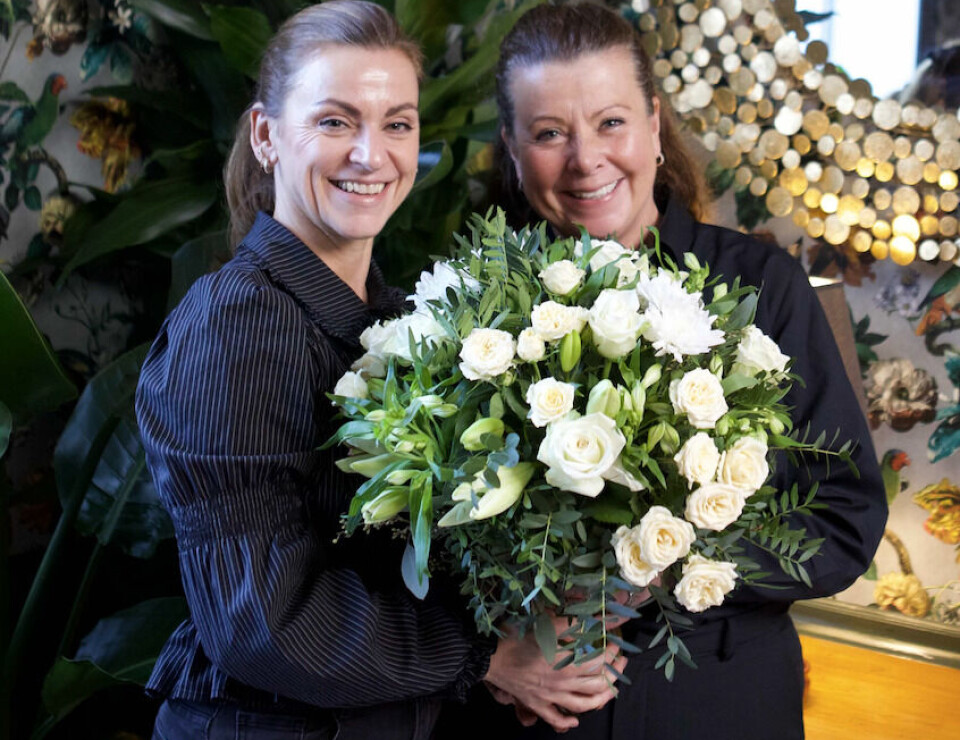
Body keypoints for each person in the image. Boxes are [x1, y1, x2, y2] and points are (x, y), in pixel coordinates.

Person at [136, 2, 625, 738]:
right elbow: (261, 619)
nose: (372, 155)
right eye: (335, 122)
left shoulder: (398, 317)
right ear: (266, 136)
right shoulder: (237, 322)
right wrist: (487, 655)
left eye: (397, 123)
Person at [440, 3, 888, 739]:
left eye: (611, 122)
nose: (586, 159)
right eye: (550, 134)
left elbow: (843, 521)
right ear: (514, 151)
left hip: (716, 700)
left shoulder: (762, 285)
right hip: (522, 715)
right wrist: (488, 651)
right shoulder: (470, 309)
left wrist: (655, 569)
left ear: (653, 124)